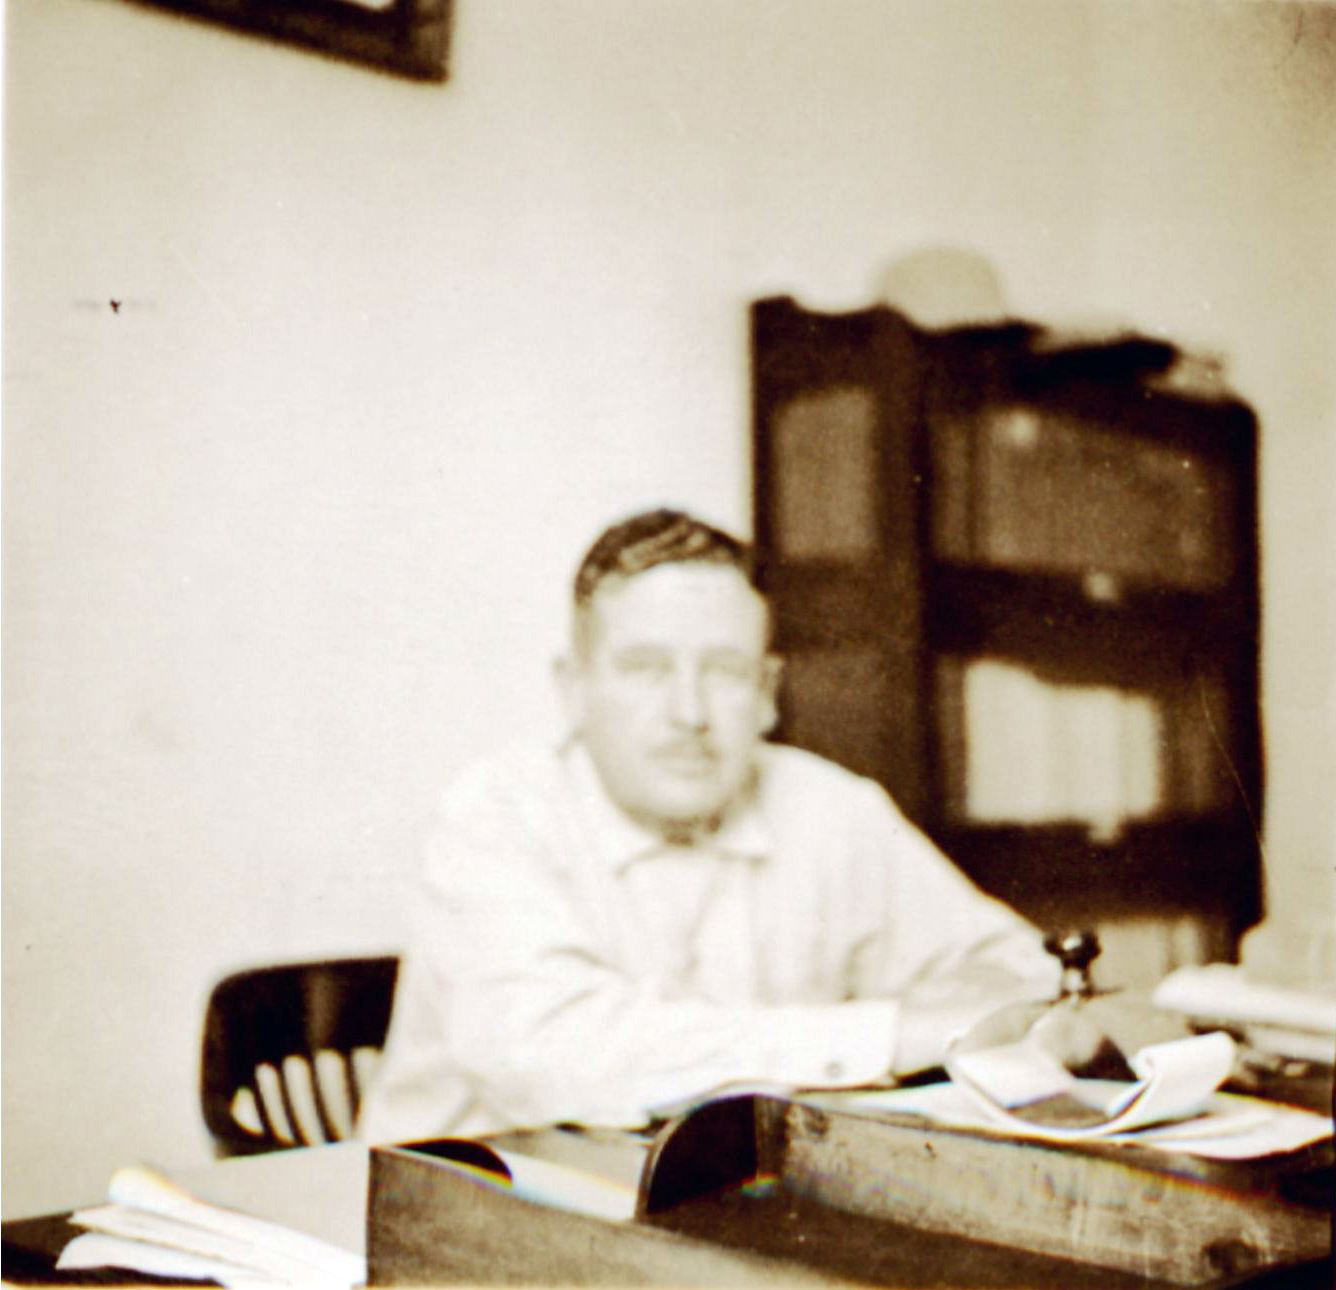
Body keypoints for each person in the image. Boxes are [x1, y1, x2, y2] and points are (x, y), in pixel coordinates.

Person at [357, 509, 1059, 1144]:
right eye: (646, 669)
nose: (689, 713)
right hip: (469, 1223)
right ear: (574, 689)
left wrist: (956, 1012)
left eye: (725, 671)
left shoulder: (832, 807)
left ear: (767, 693)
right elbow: (552, 1058)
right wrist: (892, 1034)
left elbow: (1026, 973)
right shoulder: (495, 814)